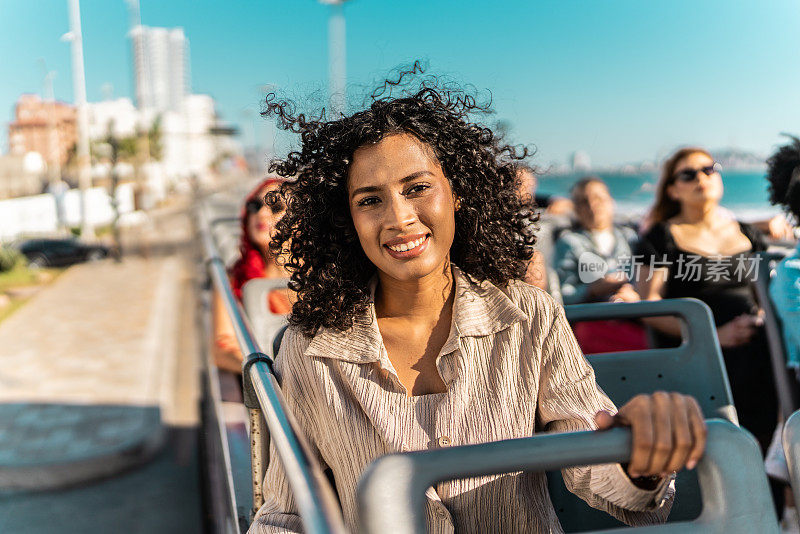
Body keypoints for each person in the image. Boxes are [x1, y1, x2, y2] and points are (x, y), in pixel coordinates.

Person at [248, 69, 706, 534]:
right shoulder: (311, 349)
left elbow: (597, 468)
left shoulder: (530, 316)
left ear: (458, 193)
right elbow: (285, 515)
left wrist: (639, 458)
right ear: (346, 219)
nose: (399, 217)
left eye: (417, 188)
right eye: (370, 200)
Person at [635, 146, 779, 499]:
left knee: (764, 457)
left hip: (758, 354)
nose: (701, 177)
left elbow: (764, 298)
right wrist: (712, 335)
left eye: (709, 169)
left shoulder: (747, 232)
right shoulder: (660, 238)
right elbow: (648, 305)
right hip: (698, 358)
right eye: (688, 173)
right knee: (721, 466)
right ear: (673, 189)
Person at [213, 178, 290, 399]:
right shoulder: (234, 278)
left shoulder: (325, 278)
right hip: (272, 395)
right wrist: (266, 370)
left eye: (275, 205)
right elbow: (221, 348)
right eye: (255, 206)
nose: (262, 213)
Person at [553, 177, 647, 353]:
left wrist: (634, 294)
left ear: (611, 202)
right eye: (584, 201)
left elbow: (646, 277)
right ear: (576, 209)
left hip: (633, 318)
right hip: (592, 323)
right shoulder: (568, 242)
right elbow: (560, 295)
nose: (593, 206)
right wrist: (592, 289)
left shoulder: (631, 238)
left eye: (599, 198)